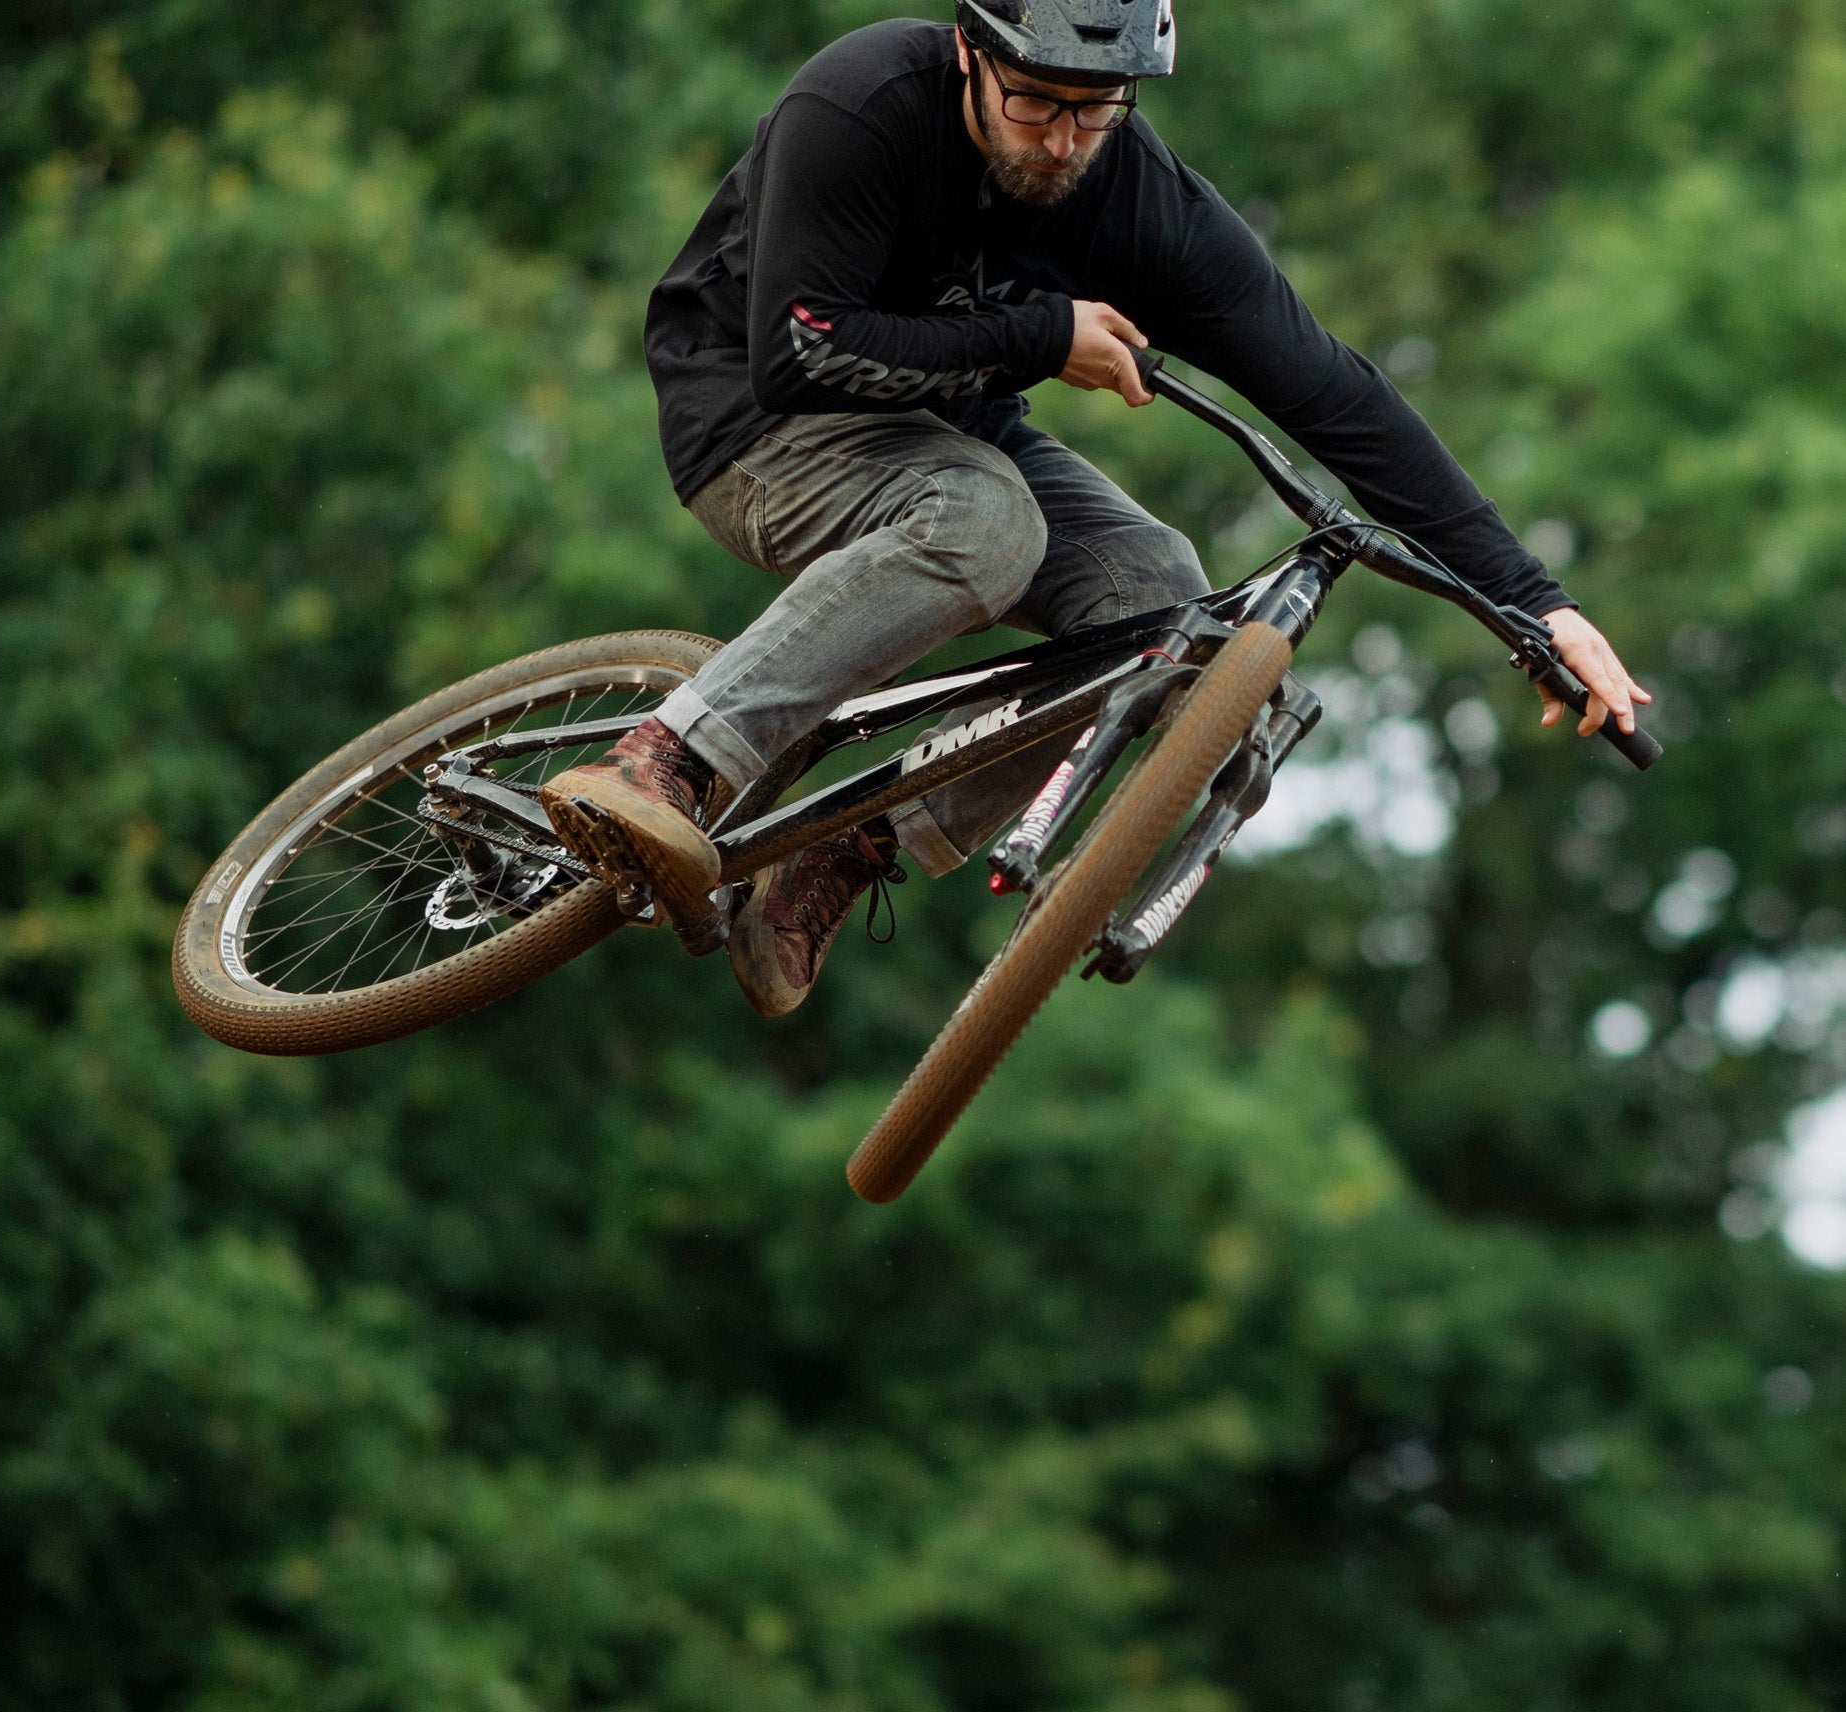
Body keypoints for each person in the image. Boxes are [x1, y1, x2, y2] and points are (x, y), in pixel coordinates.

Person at [541, 0, 1650, 1018]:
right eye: (1035, 104)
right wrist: (1036, 338)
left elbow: (1335, 393)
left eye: (1096, 111)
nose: (1064, 141)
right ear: (974, 55)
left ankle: (850, 845)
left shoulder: (1140, 202)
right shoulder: (865, 103)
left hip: (953, 440)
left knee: (1167, 611)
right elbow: (800, 352)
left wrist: (1532, 603)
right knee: (990, 521)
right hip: (752, 422)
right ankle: (668, 757)